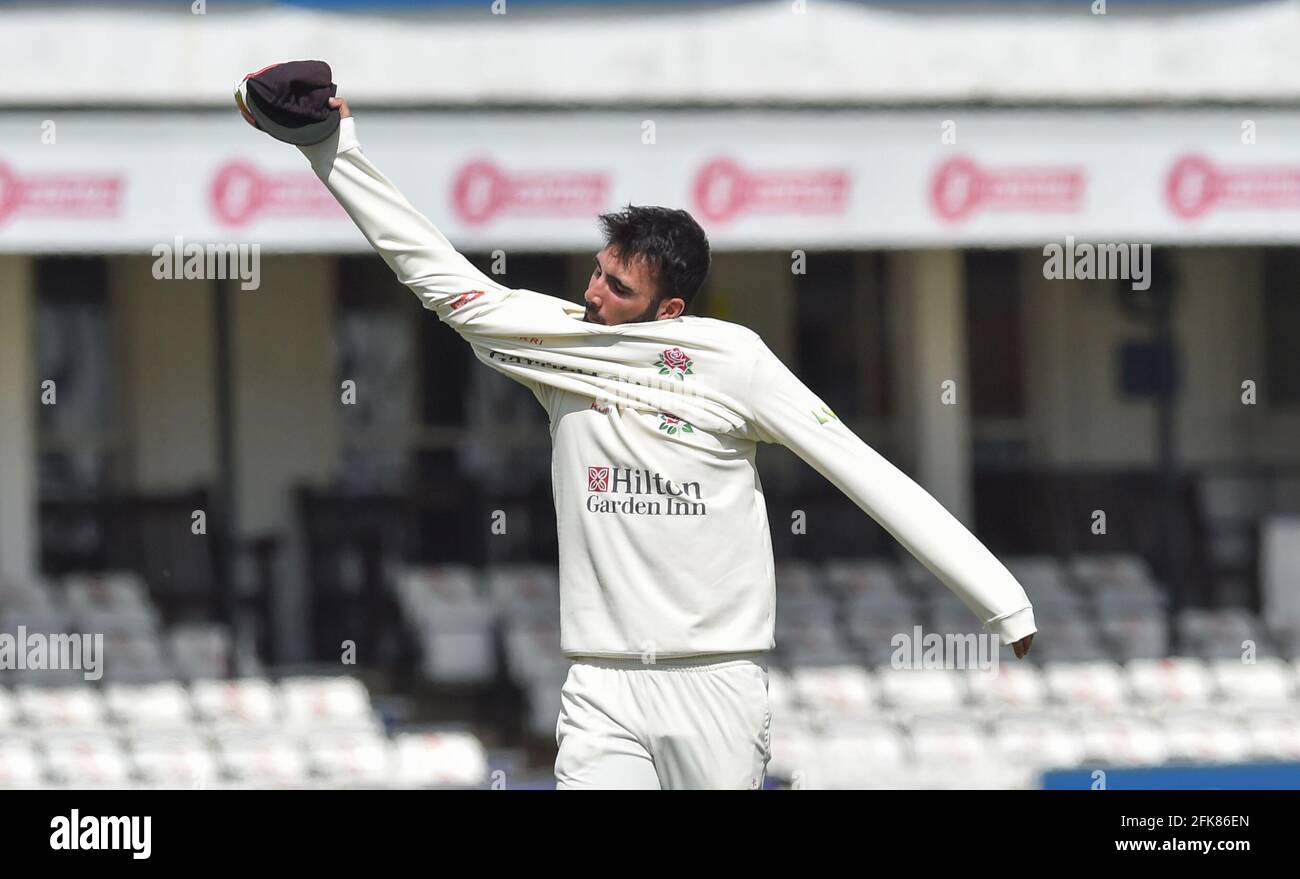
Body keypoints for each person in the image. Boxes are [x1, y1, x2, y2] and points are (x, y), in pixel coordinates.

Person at [269, 94, 1036, 790]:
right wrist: (332, 147)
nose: (592, 295)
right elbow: (437, 276)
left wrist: (1001, 601)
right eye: (597, 272)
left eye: (617, 289)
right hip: (600, 682)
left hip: (717, 682)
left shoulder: (735, 361)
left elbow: (862, 471)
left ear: (670, 308)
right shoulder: (562, 343)